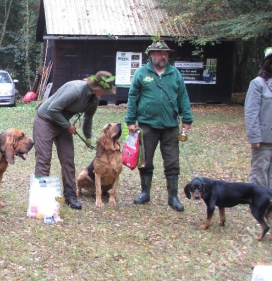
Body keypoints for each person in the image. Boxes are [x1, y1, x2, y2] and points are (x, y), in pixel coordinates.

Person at [125, 40, 193, 211]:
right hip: (147, 124)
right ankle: (145, 193)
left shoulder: (175, 74)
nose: (163, 56)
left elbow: (183, 97)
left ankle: (173, 198)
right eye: (159, 53)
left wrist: (187, 119)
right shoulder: (141, 73)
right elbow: (133, 97)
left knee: (172, 162)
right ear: (151, 55)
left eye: (166, 53)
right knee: (145, 160)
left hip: (170, 126)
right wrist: (130, 120)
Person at [33, 71, 116, 210]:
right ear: (96, 86)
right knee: (44, 159)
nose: (106, 93)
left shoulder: (94, 99)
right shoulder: (76, 90)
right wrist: (68, 126)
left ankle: (70, 195)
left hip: (62, 123)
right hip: (45, 120)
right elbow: (53, 109)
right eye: (105, 90)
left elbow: (88, 118)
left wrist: (88, 138)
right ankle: (40, 197)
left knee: (68, 159)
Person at [245, 47, 272, 189]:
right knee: (259, 174)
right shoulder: (257, 83)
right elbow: (251, 112)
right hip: (263, 140)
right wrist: (254, 137)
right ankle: (258, 207)